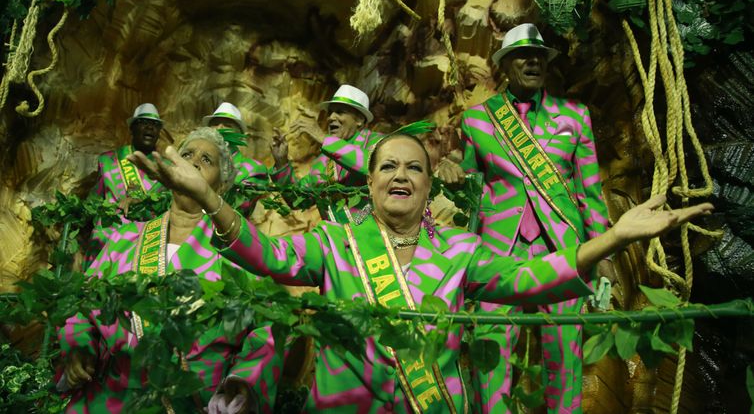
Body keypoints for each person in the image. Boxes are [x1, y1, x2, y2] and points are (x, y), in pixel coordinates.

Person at [129, 131, 712, 412]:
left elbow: (534, 278)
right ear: (371, 180)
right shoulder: (335, 243)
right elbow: (267, 256)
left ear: (429, 185)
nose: (400, 175)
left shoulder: (462, 251)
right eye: (388, 166)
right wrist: (210, 198)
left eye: (414, 168)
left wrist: (612, 237)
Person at [437, 22, 611, 412]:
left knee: (565, 351)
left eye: (539, 56)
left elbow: (590, 193)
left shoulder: (575, 116)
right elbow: (471, 189)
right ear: (505, 65)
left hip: (563, 246)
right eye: (522, 55)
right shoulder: (477, 120)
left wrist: (604, 256)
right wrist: (451, 176)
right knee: (490, 344)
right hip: (498, 247)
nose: (533, 61)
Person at [59, 128, 281, 414]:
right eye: (187, 154)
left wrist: (243, 382)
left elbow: (268, 329)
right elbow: (82, 306)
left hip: (191, 402)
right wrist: (79, 347)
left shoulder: (238, 253)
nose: (194, 162)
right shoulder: (124, 239)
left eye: (207, 160)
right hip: (113, 397)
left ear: (222, 186)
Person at [270, 84, 381, 223]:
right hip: (334, 241)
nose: (330, 117)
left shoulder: (379, 143)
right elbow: (298, 200)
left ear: (359, 119)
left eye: (340, 112)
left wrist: (323, 138)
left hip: (374, 238)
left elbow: (375, 168)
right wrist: (281, 162)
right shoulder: (323, 161)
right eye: (330, 112)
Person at [86, 103, 168, 268]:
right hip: (108, 234)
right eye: (144, 123)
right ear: (131, 128)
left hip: (146, 240)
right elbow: (93, 201)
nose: (150, 128)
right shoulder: (109, 160)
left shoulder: (167, 168)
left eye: (155, 125)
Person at [203, 102, 283, 217]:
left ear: (239, 134)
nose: (219, 128)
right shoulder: (194, 163)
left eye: (227, 125)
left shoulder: (253, 169)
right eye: (215, 124)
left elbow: (237, 207)